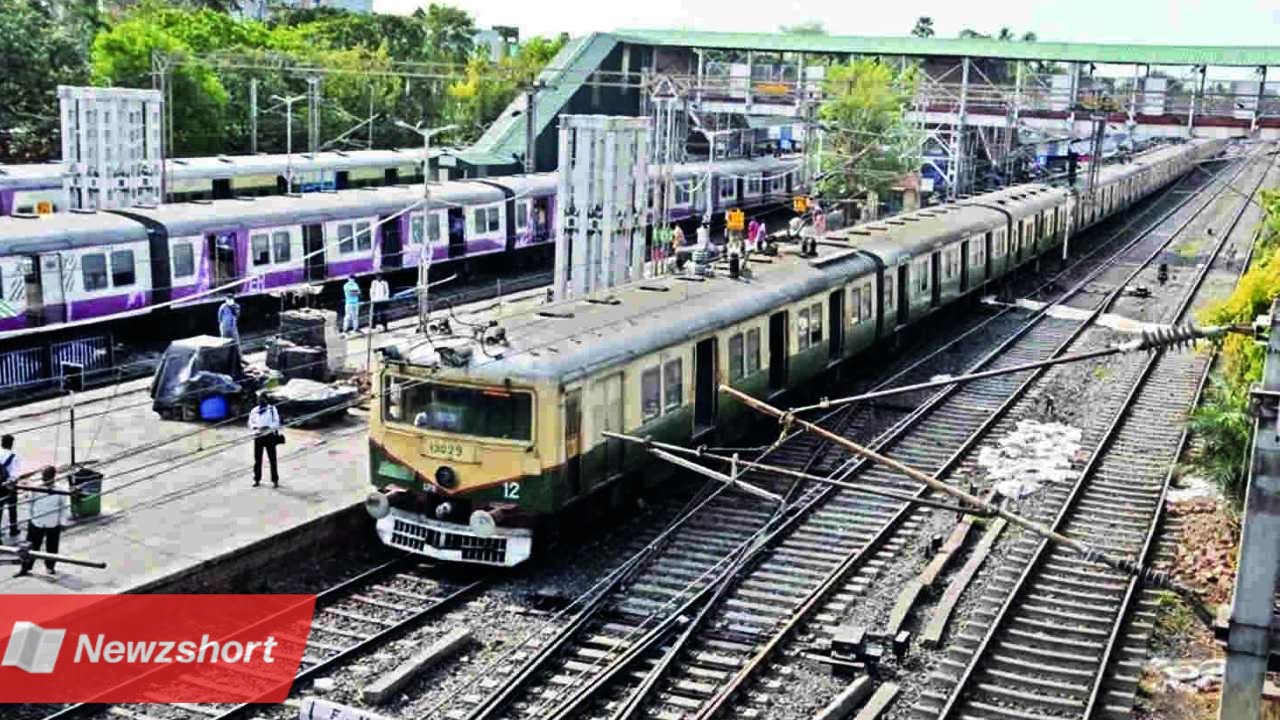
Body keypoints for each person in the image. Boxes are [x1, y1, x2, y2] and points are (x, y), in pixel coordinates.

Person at [15, 467, 67, 577]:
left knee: (52, 546)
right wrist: (30, 518)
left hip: (53, 523)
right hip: (36, 521)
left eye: (47, 476)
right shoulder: (36, 487)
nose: (44, 478)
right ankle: (25, 568)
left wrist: (63, 522)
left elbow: (63, 507)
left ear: (53, 477)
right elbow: (29, 502)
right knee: (30, 546)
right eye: (44, 476)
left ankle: (50, 567)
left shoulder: (60, 490)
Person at [248, 393, 283, 488]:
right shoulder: (254, 410)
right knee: (257, 459)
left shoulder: (272, 409)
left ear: (266, 399)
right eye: (258, 399)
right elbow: (250, 422)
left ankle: (275, 480)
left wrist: (268, 427)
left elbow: (276, 422)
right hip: (258, 436)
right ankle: (257, 479)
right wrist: (255, 428)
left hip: (269, 436)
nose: (259, 400)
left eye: (261, 399)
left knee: (272, 459)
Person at [0, 435, 18, 537]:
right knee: (12, 508)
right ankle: (13, 529)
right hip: (9, 486)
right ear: (11, 444)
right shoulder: (14, 456)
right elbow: (15, 474)